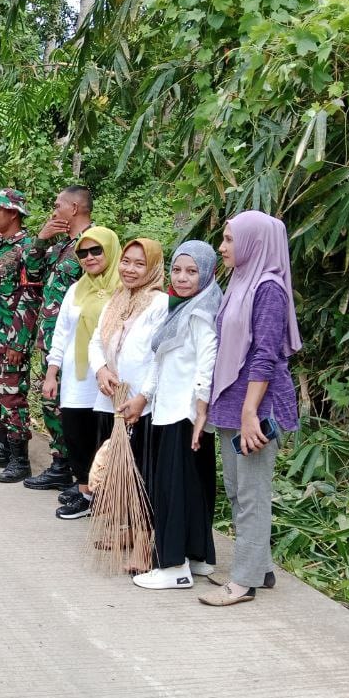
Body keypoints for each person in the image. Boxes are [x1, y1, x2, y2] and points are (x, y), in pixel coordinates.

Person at [200, 211, 301, 607]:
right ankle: (262, 567)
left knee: (253, 494)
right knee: (238, 492)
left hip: (255, 406)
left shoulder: (268, 289)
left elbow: (265, 356)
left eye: (229, 239)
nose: (222, 247)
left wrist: (250, 414)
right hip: (232, 403)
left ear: (254, 242)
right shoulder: (241, 281)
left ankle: (243, 582)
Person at [133, 241, 221, 590]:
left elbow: (207, 360)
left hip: (184, 414)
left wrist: (200, 410)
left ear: (208, 272)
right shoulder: (181, 308)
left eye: (192, 271)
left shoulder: (201, 311)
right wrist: (144, 397)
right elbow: (163, 359)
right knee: (192, 487)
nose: (182, 278)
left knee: (172, 489)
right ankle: (198, 557)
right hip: (172, 410)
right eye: (177, 270)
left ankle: (172, 567)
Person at [87, 237, 169, 557]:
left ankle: (142, 544)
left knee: (141, 471)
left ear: (153, 268)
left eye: (139, 264)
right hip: (112, 397)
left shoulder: (160, 304)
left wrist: (144, 397)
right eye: (126, 261)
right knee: (116, 467)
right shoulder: (116, 300)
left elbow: (159, 356)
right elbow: (97, 342)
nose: (130, 269)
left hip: (140, 405)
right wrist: (101, 370)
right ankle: (124, 530)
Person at [0, 188, 48, 483]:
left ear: (12, 213)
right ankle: (1, 448)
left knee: (12, 399)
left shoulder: (27, 249)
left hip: (8, 340)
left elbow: (30, 298)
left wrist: (18, 341)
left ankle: (20, 459)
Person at [44, 227, 122, 519]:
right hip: (78, 379)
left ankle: (108, 495)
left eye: (96, 251)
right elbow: (62, 333)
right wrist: (52, 373)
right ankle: (85, 490)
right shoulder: (76, 289)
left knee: (106, 435)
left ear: (111, 250)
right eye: (83, 253)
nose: (89, 258)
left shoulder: (124, 288)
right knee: (76, 433)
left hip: (109, 378)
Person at [26, 186, 91, 491]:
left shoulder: (92, 245)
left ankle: (83, 475)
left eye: (57, 206)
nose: (53, 211)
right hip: (52, 340)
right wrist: (41, 238)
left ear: (75, 208)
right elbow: (32, 270)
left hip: (78, 343)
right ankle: (60, 465)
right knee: (51, 404)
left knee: (74, 410)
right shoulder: (63, 246)